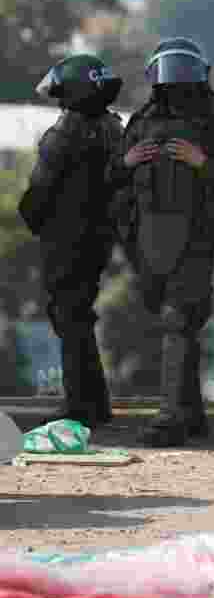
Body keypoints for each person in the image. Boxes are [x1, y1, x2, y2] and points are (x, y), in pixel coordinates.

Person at [109, 37, 214, 447]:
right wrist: (126, 162)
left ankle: (170, 419)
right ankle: (191, 416)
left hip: (197, 235)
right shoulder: (140, 122)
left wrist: (203, 163)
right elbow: (110, 184)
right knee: (171, 321)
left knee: (179, 321)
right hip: (147, 238)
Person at [19, 54, 124, 428]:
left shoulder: (64, 133)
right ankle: (95, 402)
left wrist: (32, 219)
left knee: (69, 319)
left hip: (65, 240)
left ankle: (81, 405)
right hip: (99, 239)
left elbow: (39, 193)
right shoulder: (114, 128)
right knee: (80, 316)